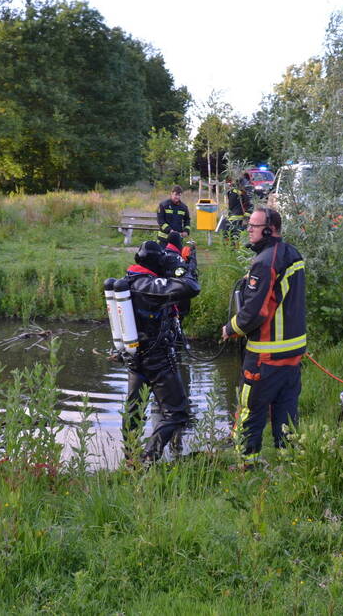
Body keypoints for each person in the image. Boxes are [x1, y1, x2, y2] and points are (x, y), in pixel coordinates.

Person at [221, 207, 307, 466]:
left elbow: (255, 312)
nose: (248, 229)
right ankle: (288, 463)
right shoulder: (292, 254)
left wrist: (230, 329)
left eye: (254, 226)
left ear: (270, 230)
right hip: (292, 354)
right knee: (286, 411)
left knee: (251, 409)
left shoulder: (265, 262)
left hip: (265, 355)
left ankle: (246, 464)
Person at [120, 240, 200, 462]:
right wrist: (182, 269)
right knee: (177, 412)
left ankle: (131, 459)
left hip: (136, 357)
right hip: (156, 358)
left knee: (134, 410)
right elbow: (191, 287)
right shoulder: (146, 284)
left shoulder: (131, 279)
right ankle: (148, 457)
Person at [224, 176, 252, 245]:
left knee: (231, 234)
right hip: (238, 217)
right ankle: (234, 246)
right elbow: (248, 205)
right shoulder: (241, 194)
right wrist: (247, 215)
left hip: (233, 216)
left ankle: (232, 247)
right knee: (236, 234)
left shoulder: (231, 192)